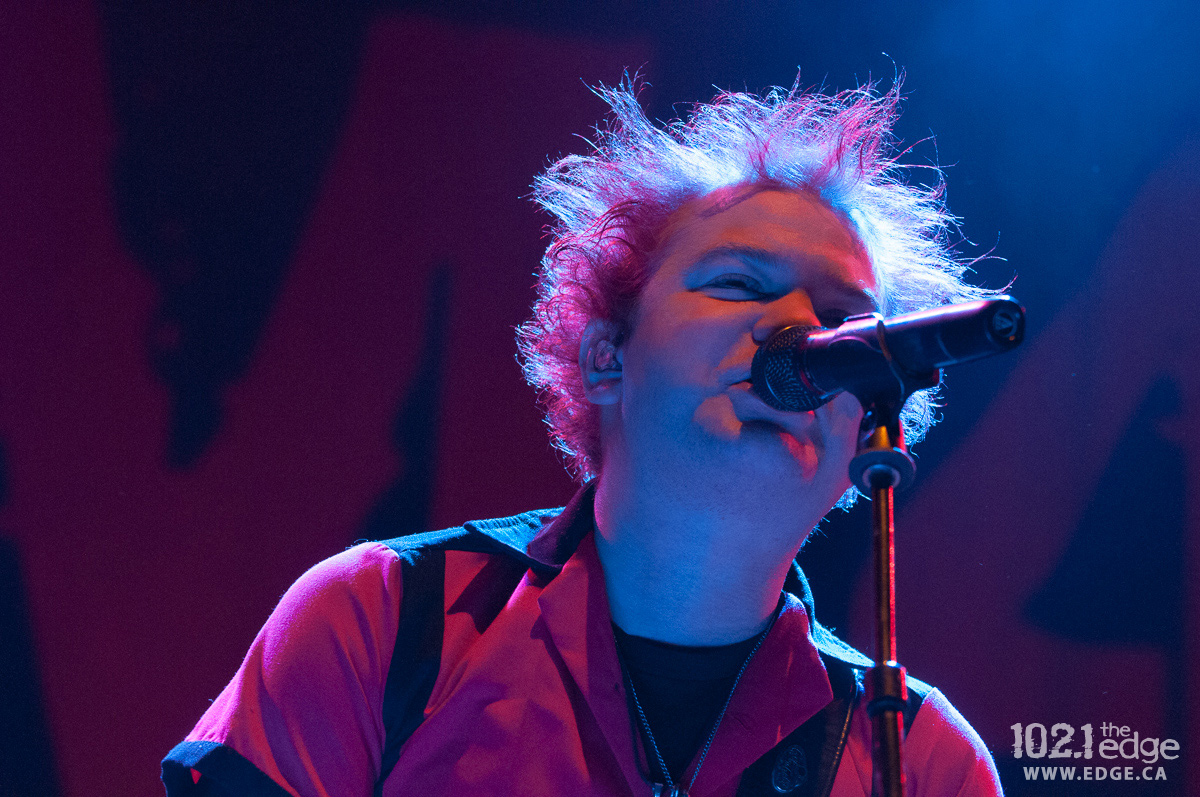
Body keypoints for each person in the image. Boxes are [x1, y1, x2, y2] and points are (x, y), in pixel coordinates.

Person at [163, 79, 1004, 796]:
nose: (799, 334)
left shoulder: (922, 762)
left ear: (868, 431)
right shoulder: (383, 621)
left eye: (843, 322)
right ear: (607, 356)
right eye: (741, 283)